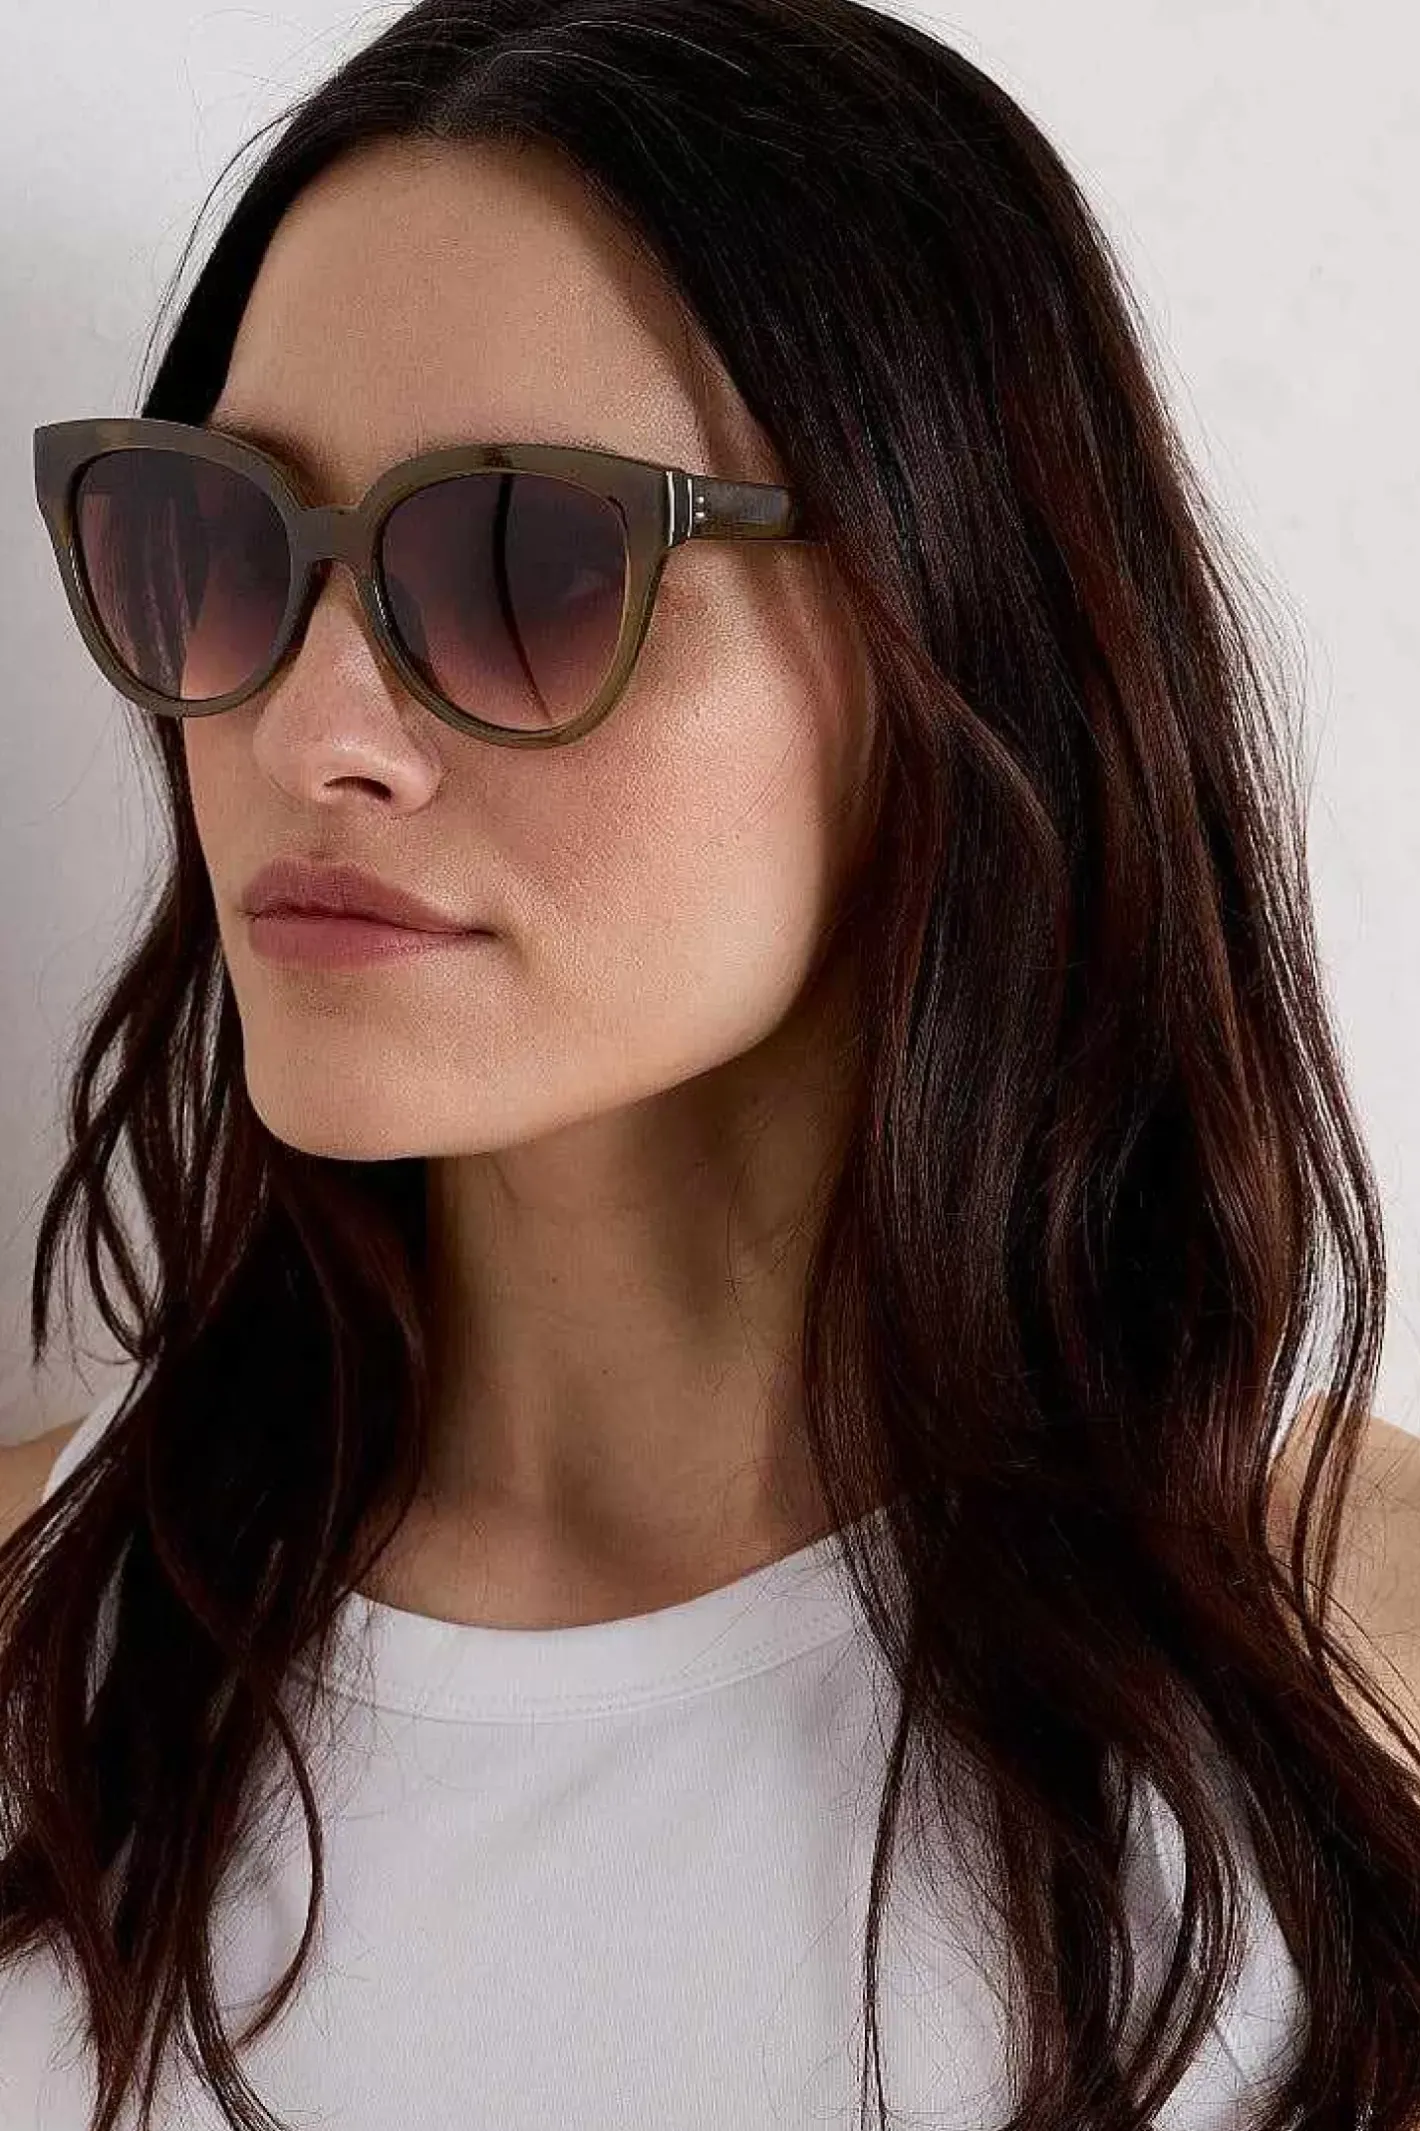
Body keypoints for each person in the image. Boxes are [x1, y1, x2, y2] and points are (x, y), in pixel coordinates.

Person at [5, 3, 1419, 2128]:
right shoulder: (39, 1639)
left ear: (953, 629)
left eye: (519, 564)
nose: (309, 735)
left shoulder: (1357, 1682)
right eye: (218, 541)